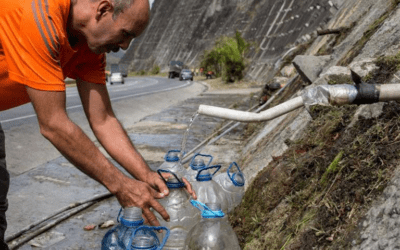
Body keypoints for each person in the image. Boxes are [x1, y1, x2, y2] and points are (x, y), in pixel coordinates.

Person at [0, 0, 195, 248]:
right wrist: (122, 185)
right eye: (125, 34)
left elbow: (103, 120)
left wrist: (146, 175)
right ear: (103, 10)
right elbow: (53, 124)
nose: (124, 46)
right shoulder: (38, 14)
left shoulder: (90, 46)